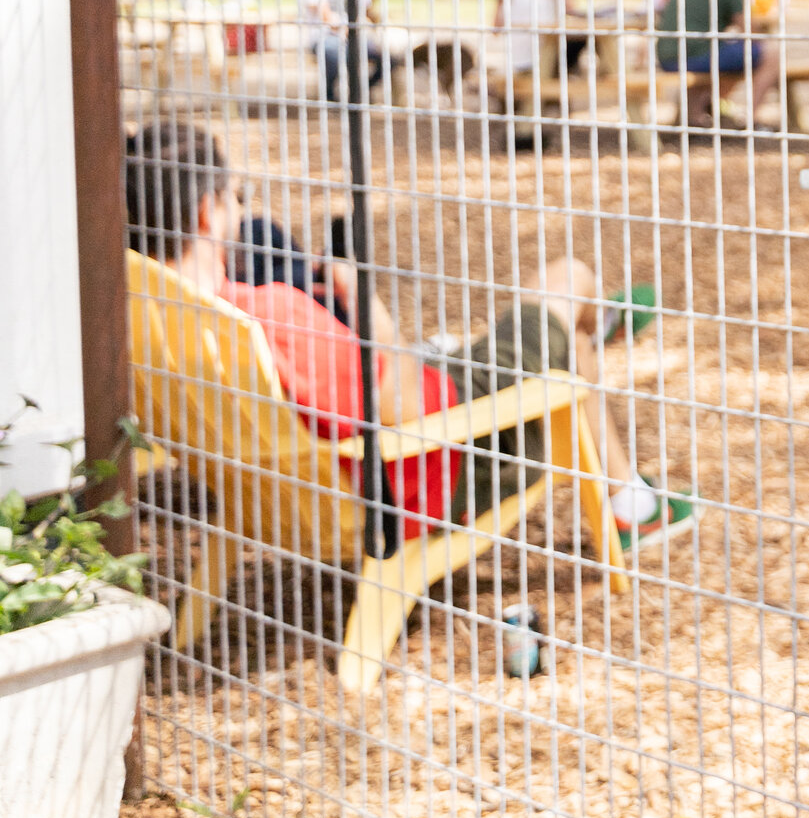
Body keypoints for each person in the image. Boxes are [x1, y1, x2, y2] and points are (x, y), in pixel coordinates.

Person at [125, 120, 694, 546]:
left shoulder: (149, 314)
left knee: (567, 327)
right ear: (206, 212)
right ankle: (628, 492)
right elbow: (398, 402)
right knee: (567, 283)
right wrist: (364, 298)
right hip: (450, 455)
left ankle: (628, 490)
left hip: (327, 478)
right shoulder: (268, 314)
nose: (239, 213)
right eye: (235, 199)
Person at [654, 0, 780, 125]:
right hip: (695, 55)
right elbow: (748, 28)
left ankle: (695, 116)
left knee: (727, 53)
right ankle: (750, 119)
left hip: (668, 56)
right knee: (770, 52)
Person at [297, 0, 384, 103]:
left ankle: (360, 92)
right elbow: (326, 16)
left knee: (387, 59)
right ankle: (329, 96)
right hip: (323, 35)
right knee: (335, 52)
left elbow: (365, 12)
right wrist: (348, 29)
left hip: (353, 34)